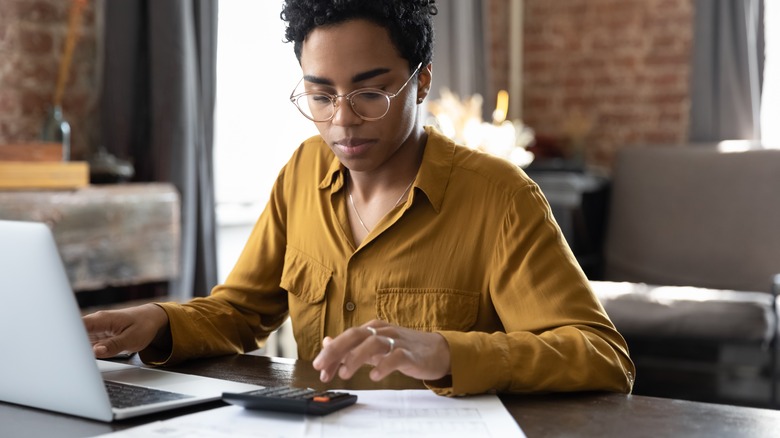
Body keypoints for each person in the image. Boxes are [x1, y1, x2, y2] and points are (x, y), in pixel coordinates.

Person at [84, 0, 635, 396]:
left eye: (370, 92)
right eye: (320, 95)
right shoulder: (303, 170)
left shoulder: (501, 199)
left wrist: (449, 354)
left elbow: (603, 355)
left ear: (421, 83)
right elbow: (240, 313)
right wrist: (158, 320)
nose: (342, 120)